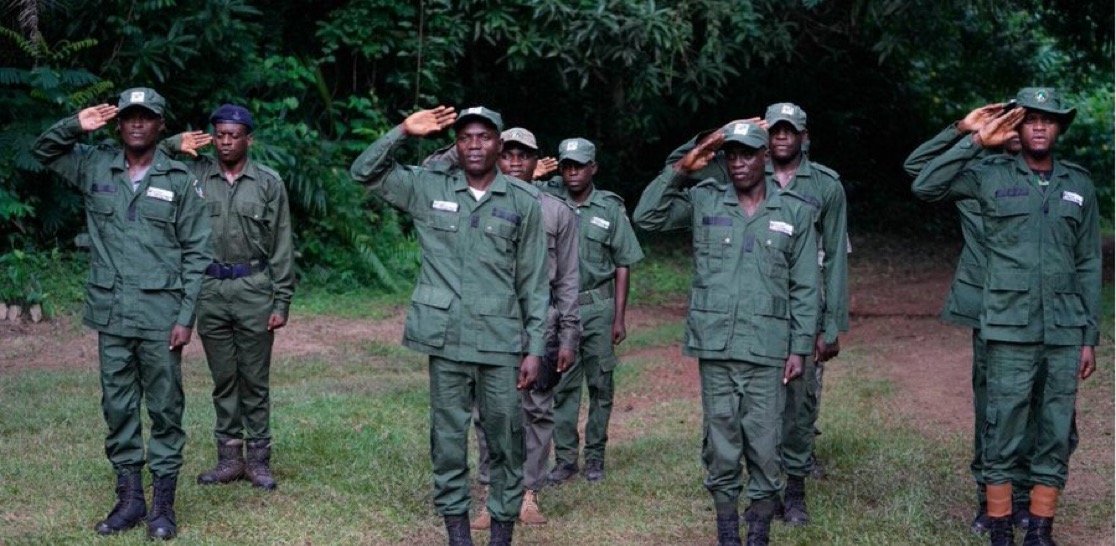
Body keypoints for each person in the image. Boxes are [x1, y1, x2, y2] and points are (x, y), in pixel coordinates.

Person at [350, 106, 549, 546]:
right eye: (465, 138)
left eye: (483, 137)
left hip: (500, 343)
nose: (474, 145)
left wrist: (534, 348)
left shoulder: (522, 202)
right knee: (447, 442)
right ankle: (458, 537)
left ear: (498, 144)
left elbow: (535, 283)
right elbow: (364, 172)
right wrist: (402, 130)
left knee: (506, 444)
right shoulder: (428, 187)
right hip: (446, 340)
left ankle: (500, 535)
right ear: (454, 145)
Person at [911, 87, 1100, 546]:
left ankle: (1039, 528)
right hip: (1007, 325)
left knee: (1055, 427)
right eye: (1029, 118)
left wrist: (1088, 334)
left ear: (1059, 128)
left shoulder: (1078, 184)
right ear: (1014, 125)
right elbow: (924, 183)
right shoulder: (987, 175)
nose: (1038, 126)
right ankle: (998, 526)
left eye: (1048, 119)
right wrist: (973, 137)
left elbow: (1089, 262)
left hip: (1061, 327)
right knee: (1002, 425)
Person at [32, 87, 213, 540]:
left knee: (166, 408)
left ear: (160, 125)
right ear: (117, 123)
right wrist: (75, 124)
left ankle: (163, 506)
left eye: (146, 117)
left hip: (160, 314)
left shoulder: (179, 179)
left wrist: (185, 316)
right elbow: (43, 151)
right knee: (117, 407)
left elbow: (196, 252)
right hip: (111, 313)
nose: (136, 123)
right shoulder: (94, 164)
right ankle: (131, 499)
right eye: (129, 116)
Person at [633, 121, 819, 546]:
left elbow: (806, 287)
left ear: (765, 157)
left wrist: (800, 347)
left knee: (766, 445)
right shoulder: (704, 199)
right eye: (730, 155)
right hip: (716, 343)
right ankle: (727, 531)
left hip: (769, 348)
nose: (737, 162)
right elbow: (647, 215)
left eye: (747, 154)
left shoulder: (794, 211)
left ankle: (758, 530)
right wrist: (685, 163)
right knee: (721, 444)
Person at [665, 103, 848, 525]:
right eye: (776, 129)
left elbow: (830, 261)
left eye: (790, 131)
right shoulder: (726, 179)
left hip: (784, 326)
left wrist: (827, 325)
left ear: (801, 137)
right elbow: (661, 204)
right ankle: (738, 509)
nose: (783, 137)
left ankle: (793, 487)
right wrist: (707, 142)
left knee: (795, 411)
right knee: (728, 422)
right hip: (727, 331)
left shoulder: (821, 187)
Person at [421, 127, 580, 528]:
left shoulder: (556, 211)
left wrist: (568, 335)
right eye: (507, 154)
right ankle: (493, 493)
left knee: (537, 410)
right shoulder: (472, 203)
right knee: (487, 413)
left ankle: (528, 492)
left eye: (523, 156)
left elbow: (567, 280)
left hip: (537, 327)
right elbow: (429, 172)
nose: (514, 162)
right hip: (487, 326)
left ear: (536, 163)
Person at [904, 102, 1036, 534]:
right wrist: (963, 131)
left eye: (1024, 122)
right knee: (992, 405)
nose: (1014, 130)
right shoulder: (974, 173)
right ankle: (990, 498)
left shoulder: (1047, 176)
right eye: (1008, 120)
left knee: (1034, 404)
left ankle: (1024, 496)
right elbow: (918, 170)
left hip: (1035, 308)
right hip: (988, 307)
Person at [162, 104, 296, 490]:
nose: (225, 141)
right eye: (219, 134)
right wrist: (176, 142)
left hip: (253, 287)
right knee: (223, 378)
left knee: (254, 378)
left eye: (233, 135)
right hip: (209, 290)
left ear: (248, 139)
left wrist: (281, 299)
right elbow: (154, 157)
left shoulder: (268, 183)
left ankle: (259, 461)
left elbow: (282, 244)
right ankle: (229, 459)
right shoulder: (194, 175)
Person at [539, 137, 644, 485]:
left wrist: (619, 316)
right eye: (567, 166)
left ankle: (595, 456)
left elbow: (623, 263)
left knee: (601, 385)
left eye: (579, 166)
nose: (572, 173)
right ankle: (565, 459)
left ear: (593, 168)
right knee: (563, 386)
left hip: (598, 307)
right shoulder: (548, 201)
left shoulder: (609, 209)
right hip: (562, 310)